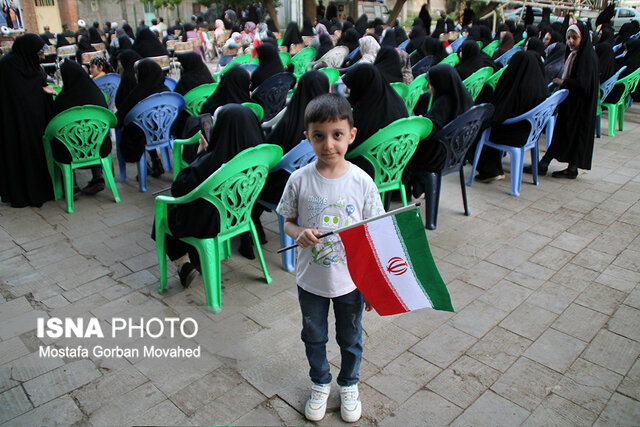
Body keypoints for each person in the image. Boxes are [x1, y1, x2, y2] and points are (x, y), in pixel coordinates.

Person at [276, 93, 383, 424]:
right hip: (311, 282)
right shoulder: (299, 180)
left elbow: (375, 234)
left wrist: (373, 284)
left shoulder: (362, 182)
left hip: (352, 282)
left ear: (351, 134)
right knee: (314, 336)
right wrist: (297, 233)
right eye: (319, 136)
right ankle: (320, 382)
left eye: (337, 135)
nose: (328, 145)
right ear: (307, 136)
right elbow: (288, 220)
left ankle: (349, 384)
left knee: (351, 338)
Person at [152, 104, 263, 287]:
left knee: (165, 211)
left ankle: (182, 263)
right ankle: (193, 260)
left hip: (210, 221)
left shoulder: (213, 162)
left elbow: (179, 189)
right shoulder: (258, 159)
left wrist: (200, 156)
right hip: (240, 216)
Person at [474, 51, 548, 181]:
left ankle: (490, 170)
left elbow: (501, 112)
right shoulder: (539, 86)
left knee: (479, 127)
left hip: (514, 133)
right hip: (530, 132)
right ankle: (495, 167)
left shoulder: (518, 87)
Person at [0, 33, 55, 208]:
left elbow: (35, 84)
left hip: (33, 122)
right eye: (39, 52)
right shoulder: (8, 65)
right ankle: (23, 194)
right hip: (14, 123)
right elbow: (18, 94)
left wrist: (43, 90)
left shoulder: (29, 64)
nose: (42, 57)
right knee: (20, 156)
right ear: (28, 51)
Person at [538, 22, 598, 179]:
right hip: (574, 103)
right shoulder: (576, 54)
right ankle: (554, 164)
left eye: (574, 38)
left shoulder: (586, 58)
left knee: (570, 134)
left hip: (580, 106)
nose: (571, 41)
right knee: (564, 132)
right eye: (569, 38)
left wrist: (563, 82)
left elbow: (583, 84)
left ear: (582, 38)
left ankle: (555, 164)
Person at [408, 64, 473, 195]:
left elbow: (432, 129)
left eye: (430, 84)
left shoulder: (444, 102)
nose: (427, 87)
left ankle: (404, 192)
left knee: (405, 151)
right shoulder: (463, 97)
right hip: (456, 153)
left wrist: (422, 121)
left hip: (438, 156)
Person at [52, 59, 112, 196]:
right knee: (93, 135)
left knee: (62, 138)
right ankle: (98, 175)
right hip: (99, 148)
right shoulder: (96, 93)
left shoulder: (63, 99)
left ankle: (72, 184)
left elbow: (53, 126)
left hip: (71, 152)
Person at [115, 58, 169, 175]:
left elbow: (119, 118)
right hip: (165, 133)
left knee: (130, 129)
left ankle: (145, 165)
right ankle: (156, 159)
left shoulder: (137, 94)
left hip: (143, 136)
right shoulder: (166, 91)